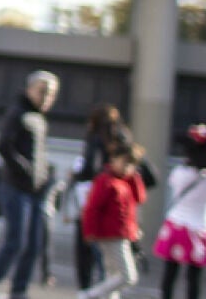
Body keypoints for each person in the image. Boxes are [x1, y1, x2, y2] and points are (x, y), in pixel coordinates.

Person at [0, 69, 59, 299]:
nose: (46, 98)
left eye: (50, 94)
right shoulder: (17, 113)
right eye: (42, 92)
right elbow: (3, 146)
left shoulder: (39, 118)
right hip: (15, 187)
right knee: (15, 242)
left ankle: (19, 290)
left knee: (33, 244)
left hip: (35, 189)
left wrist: (43, 174)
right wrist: (26, 170)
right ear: (30, 89)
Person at [157, 124, 206, 299]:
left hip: (177, 225)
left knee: (170, 273)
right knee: (194, 278)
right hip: (202, 228)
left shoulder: (180, 173)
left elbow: (173, 184)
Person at [71, 105, 131, 291]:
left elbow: (88, 170)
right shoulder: (123, 137)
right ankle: (102, 292)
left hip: (94, 197)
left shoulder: (95, 139)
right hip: (117, 204)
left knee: (87, 249)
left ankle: (88, 292)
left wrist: (76, 176)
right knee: (111, 259)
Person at [80, 143, 148, 299]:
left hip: (122, 233)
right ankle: (90, 295)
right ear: (113, 159)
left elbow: (140, 197)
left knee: (113, 275)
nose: (126, 168)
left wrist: (134, 177)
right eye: (124, 162)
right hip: (110, 234)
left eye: (131, 165)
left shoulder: (126, 182)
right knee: (128, 276)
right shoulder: (105, 181)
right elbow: (92, 208)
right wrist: (89, 231)